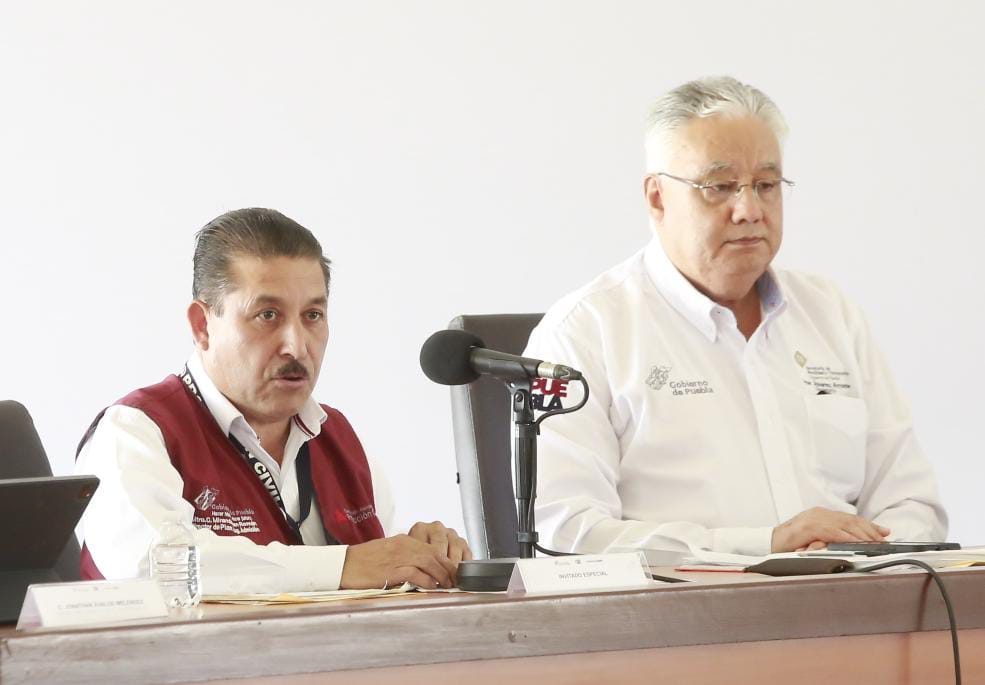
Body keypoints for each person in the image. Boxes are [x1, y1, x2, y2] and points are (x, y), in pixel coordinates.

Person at [523, 76, 947, 560]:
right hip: (683, 604)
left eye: (766, 185)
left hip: (850, 597)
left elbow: (911, 502)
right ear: (657, 197)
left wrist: (860, 556)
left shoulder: (831, 313)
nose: (749, 210)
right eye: (720, 187)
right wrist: (763, 548)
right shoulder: (583, 332)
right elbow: (565, 530)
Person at [75, 208, 470, 593]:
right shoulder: (135, 430)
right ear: (202, 326)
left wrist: (421, 554)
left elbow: (378, 564)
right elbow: (154, 565)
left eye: (312, 315)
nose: (296, 346)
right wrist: (344, 565)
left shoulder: (339, 439)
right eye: (267, 315)